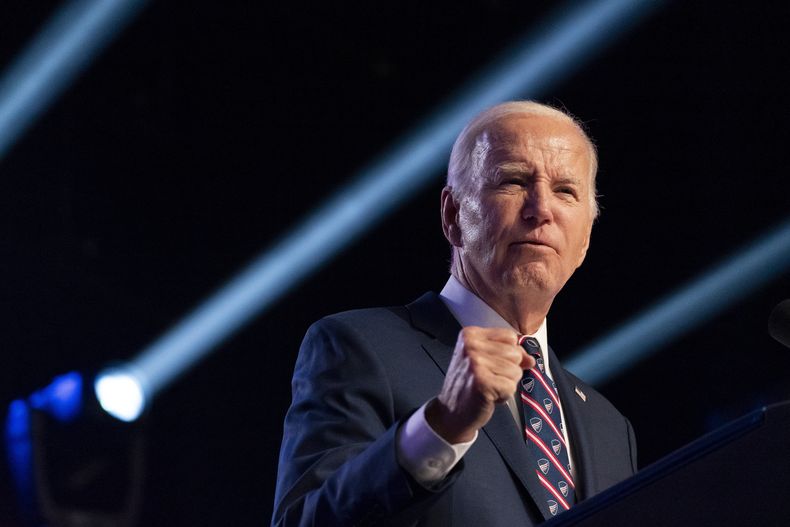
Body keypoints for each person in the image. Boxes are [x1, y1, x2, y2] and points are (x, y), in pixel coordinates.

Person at [272, 101, 637, 527]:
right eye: (513, 181)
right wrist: (440, 429)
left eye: (565, 191)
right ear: (453, 215)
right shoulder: (357, 347)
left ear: (586, 240)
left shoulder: (611, 428)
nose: (541, 209)